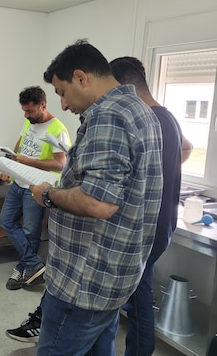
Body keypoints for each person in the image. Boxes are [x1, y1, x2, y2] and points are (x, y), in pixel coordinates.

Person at [26, 39, 163, 355]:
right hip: (114, 275)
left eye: (62, 92)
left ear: (81, 77)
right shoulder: (141, 110)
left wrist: (48, 194)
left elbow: (98, 202)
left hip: (84, 281)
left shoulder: (108, 116)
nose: (62, 104)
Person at [110, 56, 192, 356]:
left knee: (139, 294)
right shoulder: (167, 116)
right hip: (165, 221)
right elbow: (187, 148)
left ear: (125, 87)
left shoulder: (148, 119)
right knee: (138, 290)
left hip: (149, 224)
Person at [0, 86, 69, 290]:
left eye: (29, 111)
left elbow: (60, 164)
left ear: (43, 105)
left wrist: (28, 162)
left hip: (37, 187)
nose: (26, 115)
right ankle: (34, 264)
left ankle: (24, 269)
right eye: (24, 111)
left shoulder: (57, 129)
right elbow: (19, 147)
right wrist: (7, 165)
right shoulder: (29, 122)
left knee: (31, 231)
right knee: (6, 220)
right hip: (18, 182)